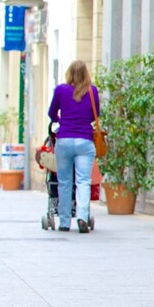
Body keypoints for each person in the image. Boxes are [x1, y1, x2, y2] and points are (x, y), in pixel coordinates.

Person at [48, 60, 99, 233]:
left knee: (64, 182)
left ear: (69, 73)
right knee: (83, 181)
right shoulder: (92, 91)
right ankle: (82, 218)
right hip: (85, 141)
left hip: (64, 140)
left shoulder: (61, 90)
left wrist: (61, 120)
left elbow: (51, 113)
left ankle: (64, 222)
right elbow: (95, 114)